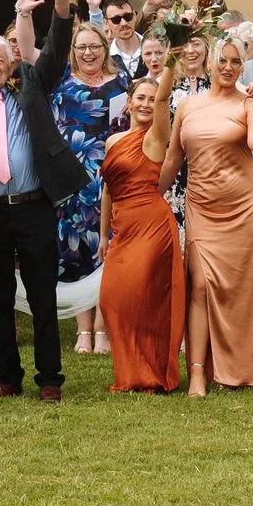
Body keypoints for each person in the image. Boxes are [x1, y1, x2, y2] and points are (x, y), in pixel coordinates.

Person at [0, 0, 91, 402]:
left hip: (34, 206)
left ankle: (50, 378)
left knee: (41, 295)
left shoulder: (32, 85)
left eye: (0, 59)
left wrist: (60, 3)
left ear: (13, 61)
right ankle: (7, 376)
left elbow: (54, 50)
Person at [168, 35, 253, 392]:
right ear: (210, 63)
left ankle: (244, 365)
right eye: (223, 61)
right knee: (200, 285)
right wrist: (147, 194)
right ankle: (198, 372)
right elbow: (173, 158)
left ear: (242, 67)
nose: (228, 68)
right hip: (202, 205)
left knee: (244, 289)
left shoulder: (251, 105)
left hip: (245, 205)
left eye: (235, 62)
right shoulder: (188, 105)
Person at [99, 78, 186, 392]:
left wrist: (171, 62)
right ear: (129, 102)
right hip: (122, 228)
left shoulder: (156, 138)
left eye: (152, 98)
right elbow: (108, 190)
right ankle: (130, 371)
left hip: (152, 226)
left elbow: (163, 101)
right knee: (111, 299)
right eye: (141, 98)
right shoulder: (113, 141)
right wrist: (104, 234)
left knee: (145, 299)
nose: (147, 104)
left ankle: (151, 373)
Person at [51, 9, 130, 356]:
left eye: (94, 46)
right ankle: (83, 328)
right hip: (72, 180)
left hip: (110, 177)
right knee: (76, 251)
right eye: (81, 47)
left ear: (105, 47)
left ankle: (103, 327)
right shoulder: (61, 83)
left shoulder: (122, 82)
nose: (88, 53)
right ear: (73, 50)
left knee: (108, 250)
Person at [98, 0, 148, 80]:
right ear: (106, 23)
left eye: (127, 16)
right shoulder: (104, 58)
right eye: (116, 19)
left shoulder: (154, 48)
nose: (124, 23)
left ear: (134, 15)